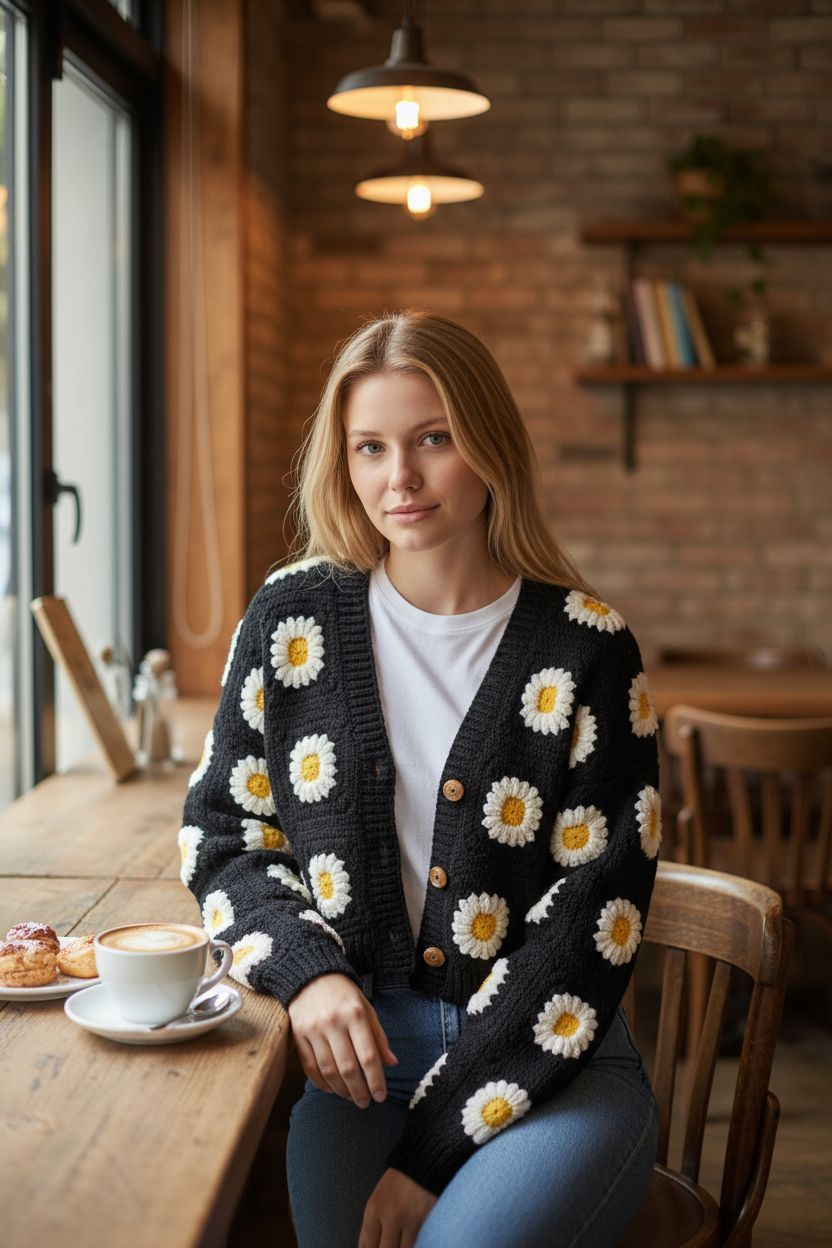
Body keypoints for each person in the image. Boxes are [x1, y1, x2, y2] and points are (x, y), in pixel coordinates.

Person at [178, 310, 661, 1248]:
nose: (399, 478)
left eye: (433, 439)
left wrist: (427, 1158)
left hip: (554, 1064)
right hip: (358, 1064)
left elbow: (593, 921)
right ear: (344, 461)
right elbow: (224, 837)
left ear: (489, 446)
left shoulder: (588, 649)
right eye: (370, 447)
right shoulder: (292, 623)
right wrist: (308, 973)